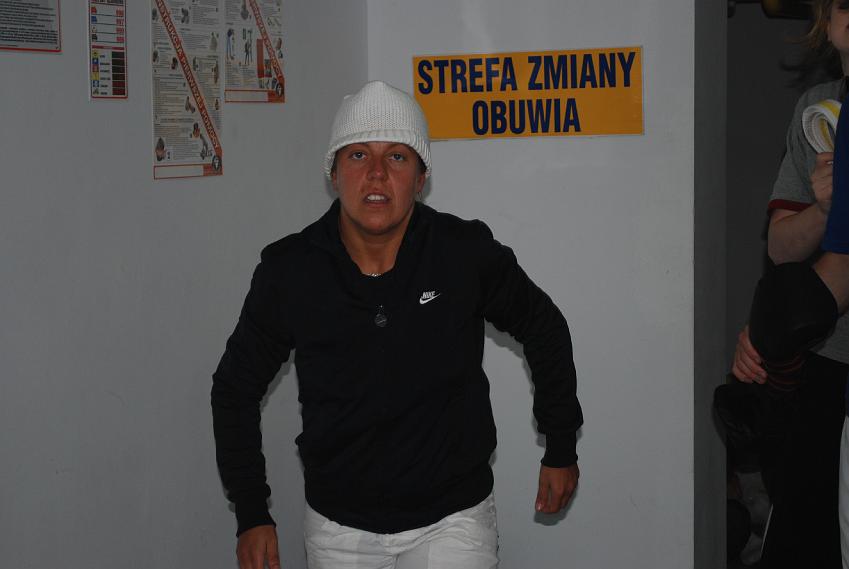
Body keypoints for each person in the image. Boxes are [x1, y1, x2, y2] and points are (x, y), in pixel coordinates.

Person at [211, 80, 583, 569]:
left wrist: (560, 445)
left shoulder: (462, 253)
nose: (377, 173)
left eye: (397, 157)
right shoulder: (291, 271)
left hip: (453, 518)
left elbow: (544, 326)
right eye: (358, 155)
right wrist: (252, 512)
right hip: (339, 527)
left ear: (421, 176)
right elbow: (234, 389)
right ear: (334, 172)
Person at [731, 2, 849, 566]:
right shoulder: (816, 110)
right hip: (825, 356)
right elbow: (781, 249)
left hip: (814, 327)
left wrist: (772, 328)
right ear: (825, 19)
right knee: (805, 535)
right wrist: (825, 208)